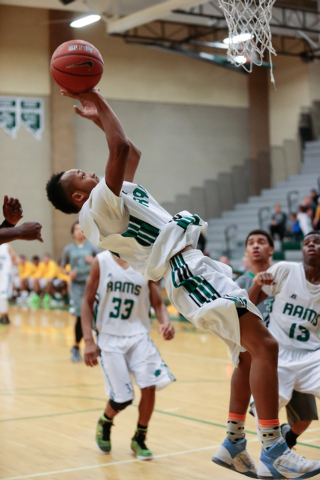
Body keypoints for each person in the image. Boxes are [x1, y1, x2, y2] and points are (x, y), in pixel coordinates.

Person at [46, 88, 320, 479]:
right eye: (80, 175)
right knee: (267, 345)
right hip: (186, 271)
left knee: (247, 354)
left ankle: (233, 442)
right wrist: (99, 102)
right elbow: (119, 147)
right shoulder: (96, 206)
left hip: (192, 266)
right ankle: (274, 448)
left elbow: (131, 153)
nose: (87, 171)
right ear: (77, 194)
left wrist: (101, 116)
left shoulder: (113, 195)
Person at [82, 250, 175, 459]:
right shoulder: (102, 261)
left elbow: (158, 303)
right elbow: (87, 302)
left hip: (138, 335)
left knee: (149, 386)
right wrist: (88, 340)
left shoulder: (145, 261)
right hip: (109, 336)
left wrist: (165, 322)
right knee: (123, 398)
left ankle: (139, 438)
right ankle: (105, 421)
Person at [237, 229, 318, 449]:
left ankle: (286, 440)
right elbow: (237, 316)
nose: (255, 246)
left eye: (260, 242)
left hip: (303, 354)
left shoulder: (284, 274)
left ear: (271, 249)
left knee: (304, 419)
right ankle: (263, 450)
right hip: (266, 355)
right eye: (250, 242)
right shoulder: (242, 283)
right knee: (263, 409)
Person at [61, 221, 100, 362]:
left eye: (81, 229)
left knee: (96, 314)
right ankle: (76, 347)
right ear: (72, 233)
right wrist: (67, 273)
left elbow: (102, 262)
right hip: (77, 287)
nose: (79, 231)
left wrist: (94, 261)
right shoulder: (68, 249)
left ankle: (98, 345)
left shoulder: (92, 247)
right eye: (76, 229)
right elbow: (61, 267)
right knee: (81, 316)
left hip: (91, 285)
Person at [0, 243, 17, 324]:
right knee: (2, 296)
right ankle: (4, 316)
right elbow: (15, 258)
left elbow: (15, 258)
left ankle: (4, 317)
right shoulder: (6, 245)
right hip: (3, 274)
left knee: (2, 296)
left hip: (5, 275)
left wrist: (12, 265)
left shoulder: (6, 245)